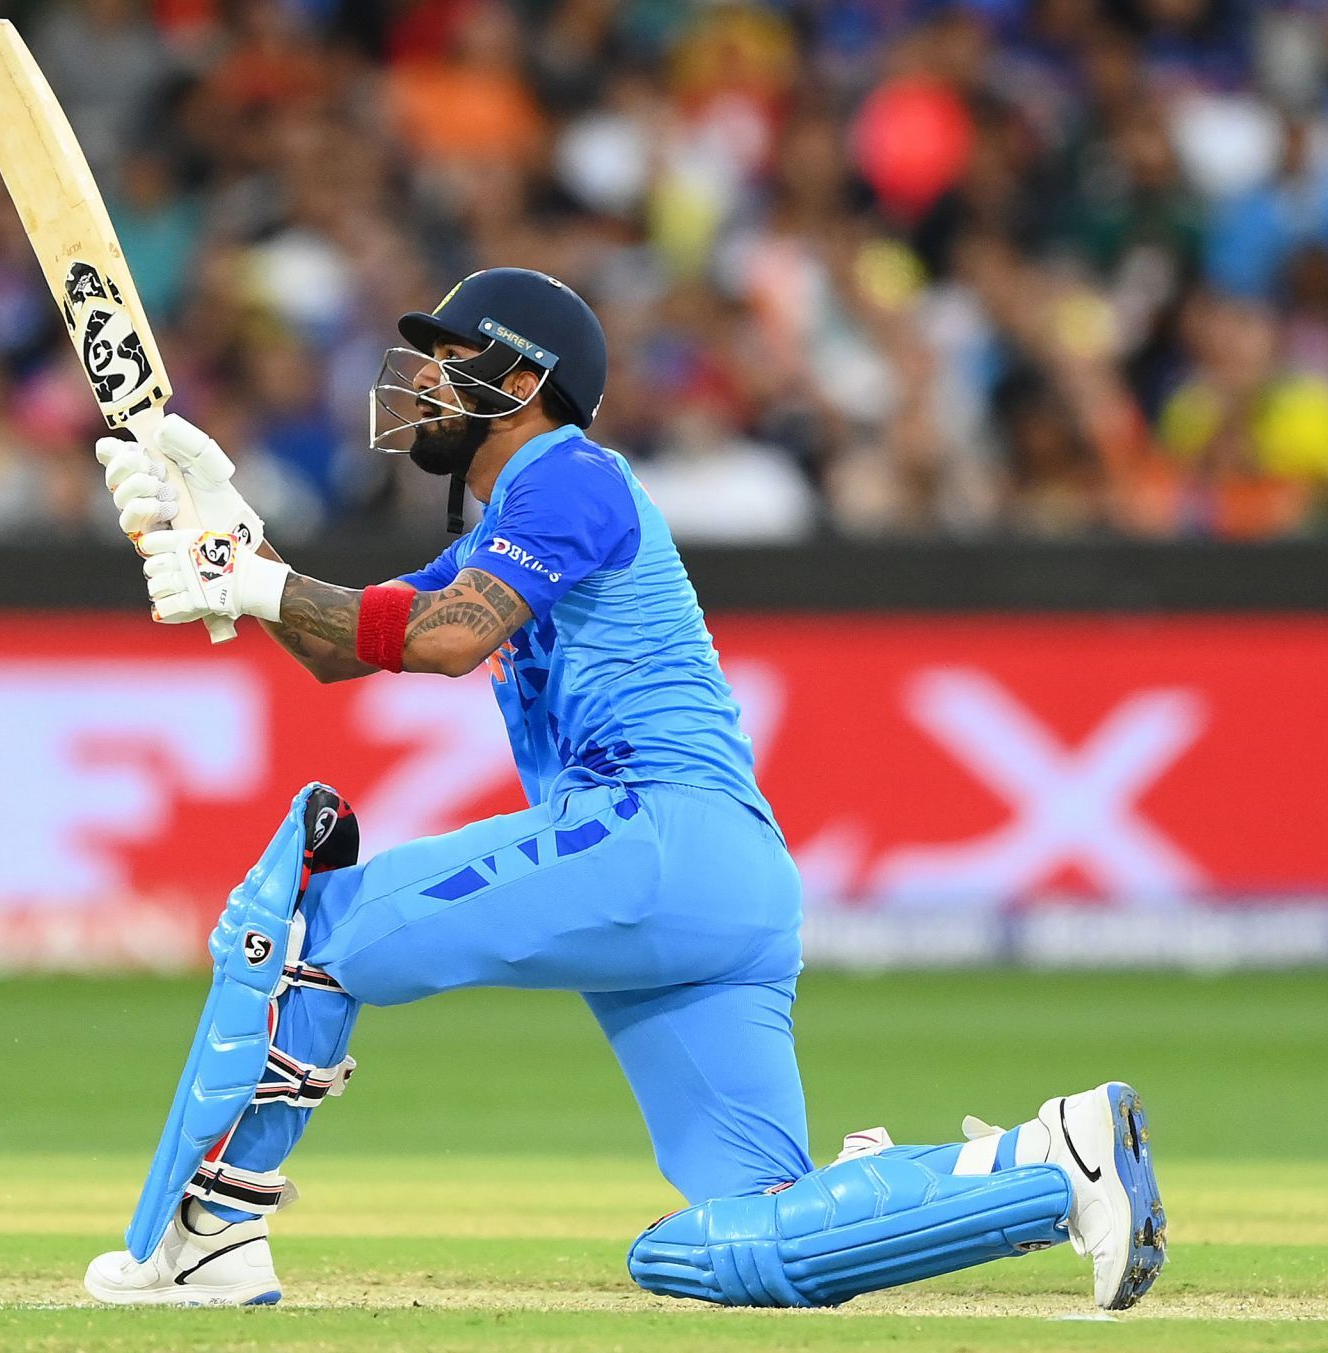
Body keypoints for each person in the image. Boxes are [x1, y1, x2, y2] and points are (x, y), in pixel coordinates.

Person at [79, 268, 1167, 1310]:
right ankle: (1052, 1162)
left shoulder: (568, 473)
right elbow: (339, 644)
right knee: (737, 1238)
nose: (419, 382)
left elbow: (448, 640)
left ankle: (207, 1236)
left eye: (449, 360)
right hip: (721, 887)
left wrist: (253, 577)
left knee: (318, 928)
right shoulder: (514, 523)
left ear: (521, 383)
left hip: (652, 834)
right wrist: (226, 529)